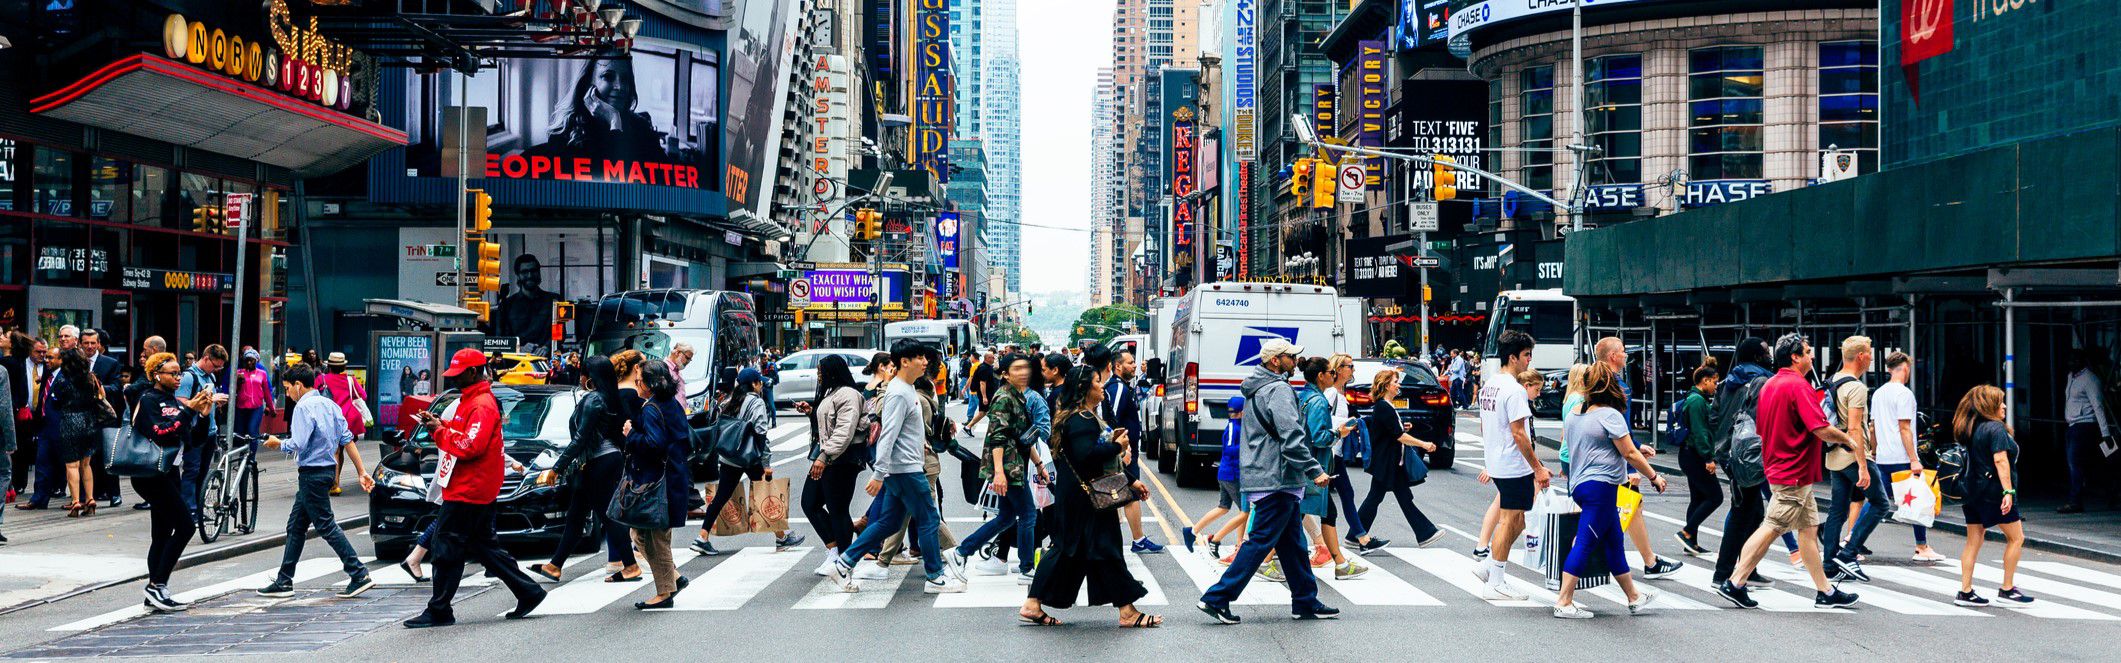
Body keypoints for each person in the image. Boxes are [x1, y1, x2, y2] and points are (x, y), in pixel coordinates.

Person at [1715, 333, 1862, 610]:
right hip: (1793, 470)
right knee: (1771, 527)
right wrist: (1848, 439)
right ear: (1795, 357)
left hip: (1782, 467)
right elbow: (1819, 428)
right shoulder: (1797, 385)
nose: (1812, 356)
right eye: (1807, 351)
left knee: (1808, 530)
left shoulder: (1771, 384)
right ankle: (1734, 582)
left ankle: (1825, 591)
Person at [1196, 338, 1338, 625]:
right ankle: (1217, 597)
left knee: (1294, 544)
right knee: (1260, 542)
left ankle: (1305, 600)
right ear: (1276, 361)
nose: (1296, 361)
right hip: (1278, 477)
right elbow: (1292, 438)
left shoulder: (1257, 389)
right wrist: (1314, 470)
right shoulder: (1279, 390)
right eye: (1290, 357)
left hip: (1266, 473)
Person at [403, 349, 547, 628]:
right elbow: (465, 436)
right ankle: (528, 591)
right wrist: (439, 425)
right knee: (484, 547)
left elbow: (470, 446)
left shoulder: (480, 404)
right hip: (473, 486)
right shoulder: (473, 400)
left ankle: (440, 609)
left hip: (469, 488)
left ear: (472, 372)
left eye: (458, 374)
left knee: (445, 546)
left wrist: (438, 431)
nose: (453, 378)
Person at [1018, 364, 1161, 627]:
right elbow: (1087, 458)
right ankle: (1127, 611)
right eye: (1097, 381)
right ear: (1085, 388)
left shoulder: (1080, 417)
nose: (1102, 386)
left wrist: (1131, 480)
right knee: (1100, 549)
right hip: (1085, 499)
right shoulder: (1082, 420)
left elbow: (1097, 462)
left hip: (1079, 496)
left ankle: (1033, 603)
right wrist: (1118, 446)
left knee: (1074, 550)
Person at [826, 340, 963, 594]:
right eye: (920, 358)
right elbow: (888, 434)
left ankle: (843, 564)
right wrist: (879, 473)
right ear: (904, 362)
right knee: (929, 518)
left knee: (888, 523)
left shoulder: (906, 388)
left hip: (902, 468)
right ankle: (935, 576)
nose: (925, 362)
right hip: (905, 470)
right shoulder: (899, 392)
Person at [1552, 363, 1667, 619]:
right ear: (1610, 386)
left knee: (1614, 542)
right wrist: (1654, 476)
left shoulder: (1575, 415)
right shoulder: (1609, 415)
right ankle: (1564, 600)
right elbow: (1629, 452)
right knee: (1584, 543)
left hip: (1581, 484)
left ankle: (1634, 597)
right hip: (1600, 487)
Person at [258, 363, 375, 598]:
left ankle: (358, 572)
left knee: (325, 525)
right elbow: (347, 440)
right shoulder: (329, 404)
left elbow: (297, 443)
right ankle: (284, 580)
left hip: (311, 473)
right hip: (327, 471)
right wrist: (362, 471)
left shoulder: (303, 407)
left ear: (299, 385)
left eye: (288, 388)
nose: (288, 393)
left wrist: (276, 443)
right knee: (296, 526)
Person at [526, 355, 639, 584]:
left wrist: (557, 468)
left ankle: (630, 566)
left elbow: (580, 438)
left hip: (599, 463)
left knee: (607, 515)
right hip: (602, 461)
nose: (580, 376)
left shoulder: (594, 399)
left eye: (583, 372)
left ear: (590, 376)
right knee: (577, 515)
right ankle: (554, 566)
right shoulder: (609, 397)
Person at [947, 353, 1042, 581]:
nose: (1022, 372)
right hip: (1009, 468)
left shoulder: (1018, 397)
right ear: (1005, 374)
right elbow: (998, 437)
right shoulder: (1004, 398)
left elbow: (1023, 437)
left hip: (1015, 464)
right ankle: (1027, 568)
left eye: (1025, 368)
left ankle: (961, 552)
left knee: (1006, 517)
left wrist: (1039, 464)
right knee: (1028, 514)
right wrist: (999, 473)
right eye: (1016, 369)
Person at [132, 352, 214, 612]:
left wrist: (201, 415)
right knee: (186, 526)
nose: (179, 378)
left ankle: (155, 590)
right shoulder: (148, 400)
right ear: (156, 374)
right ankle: (156, 585)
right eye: (173, 373)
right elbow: (162, 433)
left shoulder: (174, 401)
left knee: (161, 533)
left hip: (170, 472)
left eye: (180, 373)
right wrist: (188, 410)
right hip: (150, 474)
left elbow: (191, 441)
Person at [689, 367, 801, 556]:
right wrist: (765, 464)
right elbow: (760, 432)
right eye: (759, 383)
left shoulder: (729, 400)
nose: (761, 387)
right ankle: (782, 537)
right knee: (765, 493)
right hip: (749, 457)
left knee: (721, 497)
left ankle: (702, 537)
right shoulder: (756, 403)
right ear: (755, 384)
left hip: (729, 457)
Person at [1473, 330, 1546, 600]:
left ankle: (1490, 566)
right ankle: (1496, 580)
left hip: (1499, 459)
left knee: (1517, 519)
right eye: (1526, 355)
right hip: (1513, 464)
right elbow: (1519, 433)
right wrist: (1537, 467)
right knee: (1510, 520)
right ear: (1513, 357)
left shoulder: (1491, 384)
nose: (1529, 361)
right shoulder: (1514, 390)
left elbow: (1485, 424)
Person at [1951, 385, 2035, 607]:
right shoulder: (1996, 429)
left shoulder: (1971, 427)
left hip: (1971, 491)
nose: (2005, 406)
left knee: (1973, 541)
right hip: (1993, 492)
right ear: (1990, 406)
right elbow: (2000, 460)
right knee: (2016, 538)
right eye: (2000, 402)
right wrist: (2008, 491)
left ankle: (1965, 591)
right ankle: (2007, 589)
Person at [622, 360, 697, 609]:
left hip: (658, 482)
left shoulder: (651, 408)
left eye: (639, 381)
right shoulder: (671, 404)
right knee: (641, 533)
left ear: (650, 383)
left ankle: (665, 593)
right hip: (672, 477)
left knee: (656, 538)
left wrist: (631, 434)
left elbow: (654, 444)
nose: (637, 385)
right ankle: (673, 578)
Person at [1815, 335, 1887, 585]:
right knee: (1881, 504)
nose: (1871, 357)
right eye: (1869, 352)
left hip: (1834, 455)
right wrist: (1864, 465)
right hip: (1854, 455)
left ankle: (1829, 563)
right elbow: (1855, 429)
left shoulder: (1832, 380)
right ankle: (1848, 553)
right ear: (1860, 356)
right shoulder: (1857, 387)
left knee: (1838, 509)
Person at [1710, 337, 1780, 586]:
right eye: (1765, 351)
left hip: (1729, 452)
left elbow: (1715, 416)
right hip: (1748, 454)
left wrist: (1720, 448)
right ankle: (1724, 573)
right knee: (1743, 513)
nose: (1769, 355)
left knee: (1752, 511)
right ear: (1756, 356)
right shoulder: (1762, 381)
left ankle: (1746, 567)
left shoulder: (1729, 382)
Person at [1355, 368, 1444, 548]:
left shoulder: (1386, 406)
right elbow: (1398, 436)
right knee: (1383, 498)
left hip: (1390, 461)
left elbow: (1392, 430)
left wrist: (1403, 427)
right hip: (1388, 461)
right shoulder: (1383, 407)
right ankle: (1425, 532)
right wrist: (1424, 444)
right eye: (1396, 382)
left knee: (1391, 498)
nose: (1399, 385)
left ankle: (1355, 534)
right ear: (1387, 385)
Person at [1869, 351, 1945, 562]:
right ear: (1905, 368)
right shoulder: (1904, 394)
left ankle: (1850, 540)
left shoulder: (1878, 393)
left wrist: (1874, 451)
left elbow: (1873, 427)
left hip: (1883, 456)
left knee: (1876, 500)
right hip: (1901, 456)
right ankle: (1921, 546)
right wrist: (1914, 458)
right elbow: (1905, 428)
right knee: (1918, 499)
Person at [1294, 357, 1365, 579]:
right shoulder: (1318, 401)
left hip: (1306, 466)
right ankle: (1264, 559)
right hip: (1313, 467)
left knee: (1323, 512)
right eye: (1330, 372)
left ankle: (1340, 563)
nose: (1333, 375)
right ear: (1320, 376)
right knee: (1290, 517)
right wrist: (1339, 433)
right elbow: (1318, 437)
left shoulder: (1304, 396)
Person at [799, 354, 867, 577]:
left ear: (832, 371)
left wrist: (824, 456)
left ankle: (845, 559)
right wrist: (811, 412)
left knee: (838, 509)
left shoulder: (848, 394)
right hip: (829, 456)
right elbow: (828, 424)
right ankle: (835, 549)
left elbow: (844, 431)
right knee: (810, 502)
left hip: (842, 460)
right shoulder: (832, 392)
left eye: (821, 371)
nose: (818, 375)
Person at [1103, 350, 1163, 554]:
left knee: (1129, 494)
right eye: (1130, 363)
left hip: (1128, 449)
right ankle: (1134, 539)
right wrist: (1123, 450)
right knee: (1126, 493)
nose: (1135, 366)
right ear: (1117, 366)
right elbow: (1113, 421)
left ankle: (1138, 539)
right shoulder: (1118, 388)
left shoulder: (1122, 387)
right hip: (1125, 451)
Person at [1324, 355, 1383, 556]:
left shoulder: (1341, 392)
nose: (1353, 370)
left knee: (1346, 494)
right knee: (1310, 502)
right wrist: (1346, 424)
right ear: (1339, 369)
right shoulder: (1331, 393)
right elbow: (1321, 419)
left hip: (1336, 452)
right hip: (1329, 453)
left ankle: (1361, 537)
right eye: (1350, 366)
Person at [1186, 394, 1249, 558]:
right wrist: (1248, 448)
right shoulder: (1234, 427)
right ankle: (1220, 540)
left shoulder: (1236, 425)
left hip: (1227, 473)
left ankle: (1192, 531)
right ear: (1242, 412)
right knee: (1245, 512)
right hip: (1232, 474)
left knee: (1223, 507)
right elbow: (1229, 449)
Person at [1674, 362, 1723, 556]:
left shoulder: (1696, 398)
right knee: (1715, 496)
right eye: (1714, 382)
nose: (1716, 386)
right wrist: (1708, 457)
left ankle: (1690, 541)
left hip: (1690, 454)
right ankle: (1687, 532)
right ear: (1705, 381)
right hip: (1694, 455)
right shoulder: (1697, 401)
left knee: (1698, 498)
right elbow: (1700, 431)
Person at [2061, 348, 2118, 513]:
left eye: (2074, 360)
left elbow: (2098, 407)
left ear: (2081, 361)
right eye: (2069, 360)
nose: (2070, 363)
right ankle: (2110, 494)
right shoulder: (2071, 377)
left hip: (2085, 426)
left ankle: (2075, 501)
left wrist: (2105, 433)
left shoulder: (2090, 380)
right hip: (2072, 426)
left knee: (2075, 464)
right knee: (2087, 464)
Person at [51, 350, 106, 518]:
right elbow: (102, 396)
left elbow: (55, 400)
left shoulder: (62, 379)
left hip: (70, 420)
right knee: (86, 464)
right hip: (89, 421)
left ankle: (75, 501)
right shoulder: (91, 377)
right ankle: (90, 498)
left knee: (72, 465)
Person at [79, 330, 123, 508]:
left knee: (107, 455)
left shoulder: (110, 363)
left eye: (92, 343)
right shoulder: (76, 362)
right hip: (82, 415)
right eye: (86, 343)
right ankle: (87, 495)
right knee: (85, 457)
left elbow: (117, 386)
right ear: (80, 344)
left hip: (104, 417)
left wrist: (100, 388)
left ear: (98, 344)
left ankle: (115, 494)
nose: (89, 346)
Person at [317, 353, 370, 496]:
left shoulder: (321, 379)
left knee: (334, 450)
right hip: (349, 419)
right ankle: (336, 481)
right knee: (340, 449)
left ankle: (335, 483)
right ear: (343, 366)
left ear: (329, 366)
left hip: (329, 419)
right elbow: (363, 396)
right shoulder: (350, 379)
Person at [234, 350, 275, 458]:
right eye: (247, 360)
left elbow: (267, 392)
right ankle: (242, 457)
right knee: (240, 434)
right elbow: (233, 391)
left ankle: (251, 457)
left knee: (252, 431)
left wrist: (272, 408)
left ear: (256, 361)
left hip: (256, 408)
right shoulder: (239, 373)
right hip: (241, 407)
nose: (249, 363)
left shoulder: (262, 373)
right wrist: (238, 382)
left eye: (252, 360)